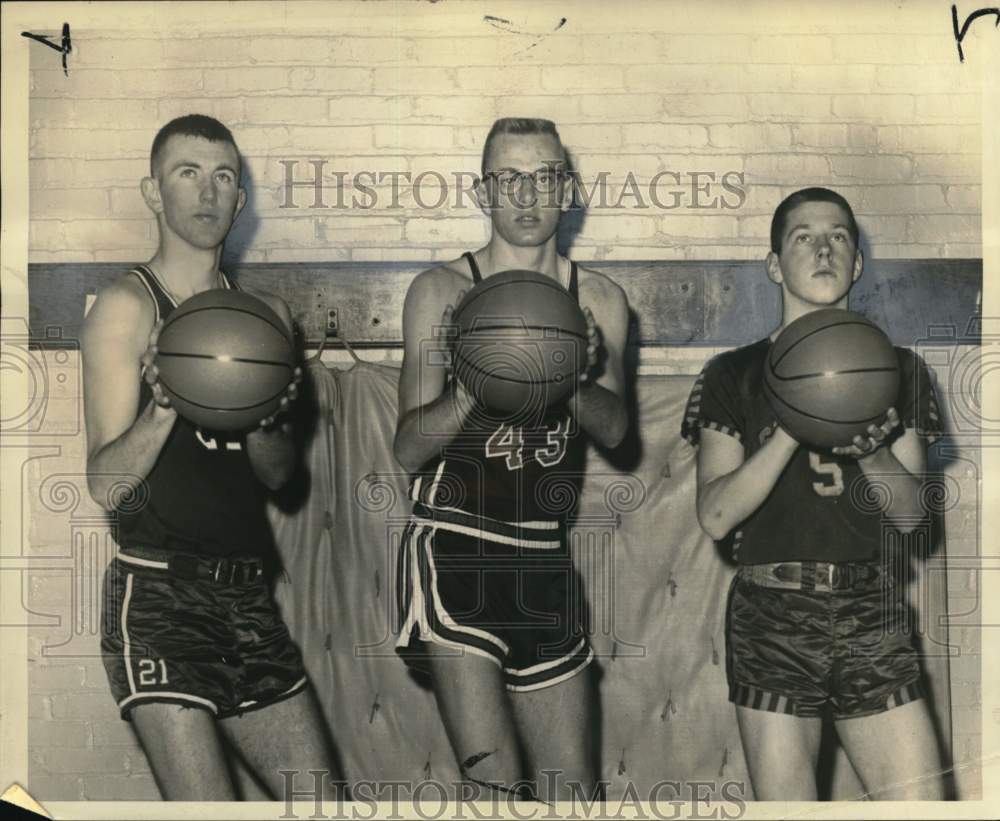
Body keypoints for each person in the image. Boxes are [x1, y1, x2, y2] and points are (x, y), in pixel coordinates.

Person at [82, 114, 339, 800]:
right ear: (152, 191)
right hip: (160, 597)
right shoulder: (126, 307)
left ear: (241, 199)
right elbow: (107, 483)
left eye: (224, 176)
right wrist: (166, 401)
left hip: (248, 597)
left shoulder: (267, 319)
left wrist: (263, 416)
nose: (207, 191)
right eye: (187, 173)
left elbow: (282, 478)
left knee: (327, 807)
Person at [393, 117, 629, 801]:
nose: (527, 194)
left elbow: (618, 433)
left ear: (569, 189)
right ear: (483, 191)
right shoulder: (441, 292)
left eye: (545, 176)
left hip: (543, 557)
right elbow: (407, 446)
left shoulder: (602, 299)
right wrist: (475, 378)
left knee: (572, 798)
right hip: (454, 543)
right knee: (495, 792)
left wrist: (576, 372)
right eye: (509, 178)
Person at [682, 187, 944, 800]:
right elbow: (716, 516)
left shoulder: (901, 370)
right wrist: (794, 424)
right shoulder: (732, 372)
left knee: (924, 806)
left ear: (857, 263)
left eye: (839, 236)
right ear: (775, 264)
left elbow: (912, 522)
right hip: (772, 611)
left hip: (871, 608)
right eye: (803, 236)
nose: (823, 249)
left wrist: (873, 449)